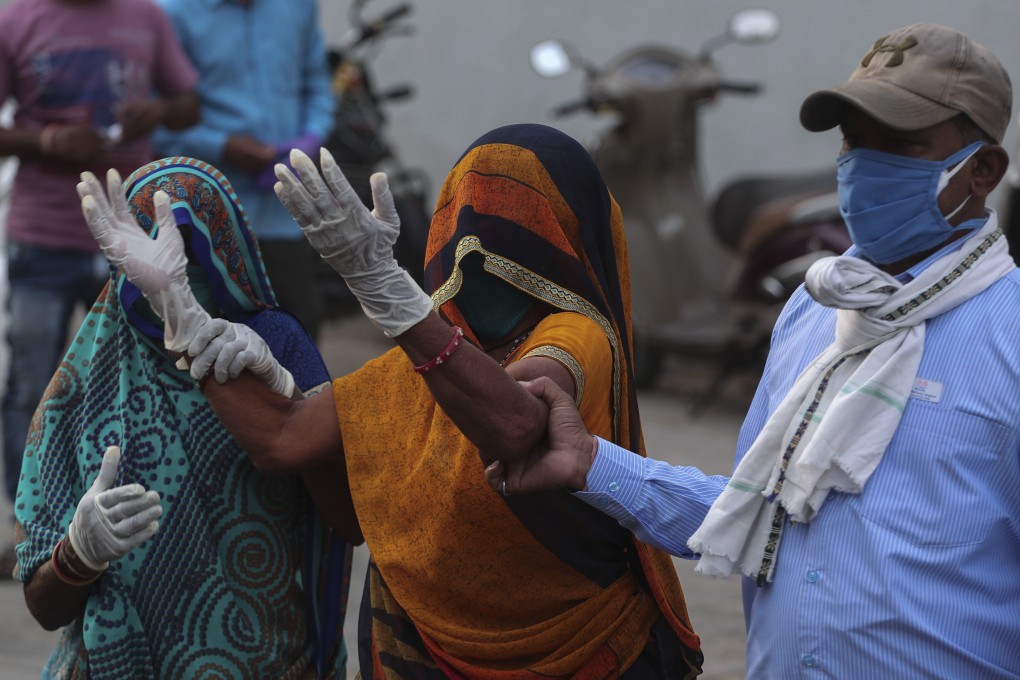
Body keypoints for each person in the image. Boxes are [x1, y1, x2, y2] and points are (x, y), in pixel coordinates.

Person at [487, 23, 1020, 679]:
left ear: (984, 170)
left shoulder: (1009, 335)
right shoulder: (816, 311)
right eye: (855, 140)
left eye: (902, 145)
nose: (866, 164)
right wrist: (591, 463)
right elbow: (755, 509)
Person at [81, 124, 706, 677]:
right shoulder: (433, 353)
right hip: (422, 650)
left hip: (585, 647)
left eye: (509, 230)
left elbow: (519, 427)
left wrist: (384, 288)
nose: (479, 249)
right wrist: (180, 315)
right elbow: (285, 439)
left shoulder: (578, 334)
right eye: (468, 221)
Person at [15, 157, 350, 678]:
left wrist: (290, 401)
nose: (178, 283)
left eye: (197, 256)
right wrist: (78, 552)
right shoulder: (84, 383)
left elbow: (349, 518)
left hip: (262, 659)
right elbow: (44, 605)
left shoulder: (274, 346)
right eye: (157, 263)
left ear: (231, 256)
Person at [0, 0, 200, 573]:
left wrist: (156, 111)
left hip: (129, 239)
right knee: (33, 384)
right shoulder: (15, 20)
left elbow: (188, 105)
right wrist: (45, 143)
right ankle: (32, 531)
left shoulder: (147, 16)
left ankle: (121, 520)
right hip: (42, 236)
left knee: (130, 383)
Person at [151, 0, 336, 340]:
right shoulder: (170, 13)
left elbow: (317, 84)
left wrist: (309, 138)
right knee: (212, 346)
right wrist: (222, 145)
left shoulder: (298, 6)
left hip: (287, 214)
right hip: (206, 216)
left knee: (300, 334)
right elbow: (157, 121)